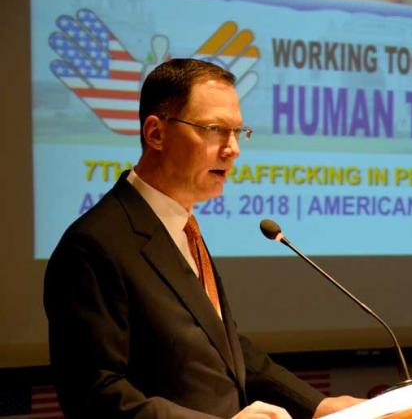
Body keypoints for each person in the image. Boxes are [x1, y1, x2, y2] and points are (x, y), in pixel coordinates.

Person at [44, 58, 361, 419]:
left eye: (237, 132)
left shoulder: (181, 226)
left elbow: (222, 347)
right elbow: (95, 395)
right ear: (156, 133)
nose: (233, 149)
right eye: (214, 130)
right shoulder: (93, 246)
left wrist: (317, 404)